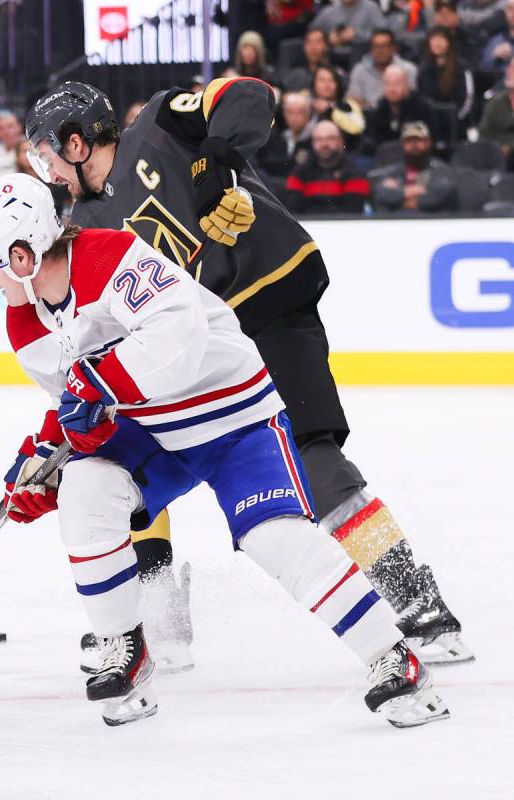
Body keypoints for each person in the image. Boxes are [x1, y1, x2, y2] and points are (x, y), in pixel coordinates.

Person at [0, 171, 450, 729]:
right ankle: (128, 648)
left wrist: (97, 386)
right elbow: (75, 403)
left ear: (23, 255)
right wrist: (46, 460)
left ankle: (393, 656)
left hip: (234, 419)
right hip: (153, 433)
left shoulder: (110, 257)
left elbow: (179, 338)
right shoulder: (25, 320)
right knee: (82, 489)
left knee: (275, 539)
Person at [23, 80, 474, 667]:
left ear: (77, 143)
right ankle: (161, 617)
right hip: (204, 355)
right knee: (130, 461)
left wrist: (214, 160)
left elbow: (250, 96)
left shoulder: (161, 122)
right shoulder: (87, 226)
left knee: (315, 462)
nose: (47, 170)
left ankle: (418, 604)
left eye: (47, 154)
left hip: (270, 303)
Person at [370, 120, 457, 212]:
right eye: (409, 141)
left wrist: (401, 199)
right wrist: (409, 191)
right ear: (402, 144)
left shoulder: (440, 169)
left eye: (418, 140)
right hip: (397, 223)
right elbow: (380, 194)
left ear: (428, 142)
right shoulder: (393, 171)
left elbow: (439, 196)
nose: (413, 145)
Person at [285, 120, 370, 213]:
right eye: (319, 139)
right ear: (312, 143)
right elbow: (292, 211)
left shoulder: (355, 172)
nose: (324, 144)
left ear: (340, 141)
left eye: (330, 138)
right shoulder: (300, 173)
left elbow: (352, 213)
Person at [418, 26, 474, 137]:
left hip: (456, 124)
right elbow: (420, 97)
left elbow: (468, 99)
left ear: (449, 42)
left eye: (441, 38)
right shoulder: (424, 69)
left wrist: (455, 118)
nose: (437, 43)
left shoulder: (461, 67)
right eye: (433, 39)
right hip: (430, 125)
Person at [255, 92, 314, 189]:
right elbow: (269, 164)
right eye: (290, 112)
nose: (294, 117)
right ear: (284, 114)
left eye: (300, 112)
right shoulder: (278, 138)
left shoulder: (316, 138)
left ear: (308, 114)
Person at [347, 28, 418, 109]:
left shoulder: (408, 69)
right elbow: (353, 100)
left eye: (383, 46)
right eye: (376, 46)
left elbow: (412, 99)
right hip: (368, 116)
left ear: (393, 48)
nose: (379, 51)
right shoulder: (359, 70)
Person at [370, 64, 436, 146]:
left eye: (397, 83)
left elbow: (431, 139)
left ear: (407, 84)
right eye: (388, 83)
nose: (392, 88)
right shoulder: (380, 108)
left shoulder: (422, 107)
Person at [311, 0, 386, 50]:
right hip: (333, 55)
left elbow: (385, 35)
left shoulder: (371, 8)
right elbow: (311, 33)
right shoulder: (329, 11)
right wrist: (327, 39)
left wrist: (357, 35)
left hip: (364, 55)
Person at [479, 56, 514, 154]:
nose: (510, 72)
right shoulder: (497, 101)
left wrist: (509, 146)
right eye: (510, 67)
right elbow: (484, 133)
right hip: (497, 157)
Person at [482, 0, 514, 72]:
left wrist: (511, 55)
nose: (513, 14)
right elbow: (483, 69)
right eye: (510, 9)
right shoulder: (496, 40)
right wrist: (494, 56)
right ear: (505, 12)